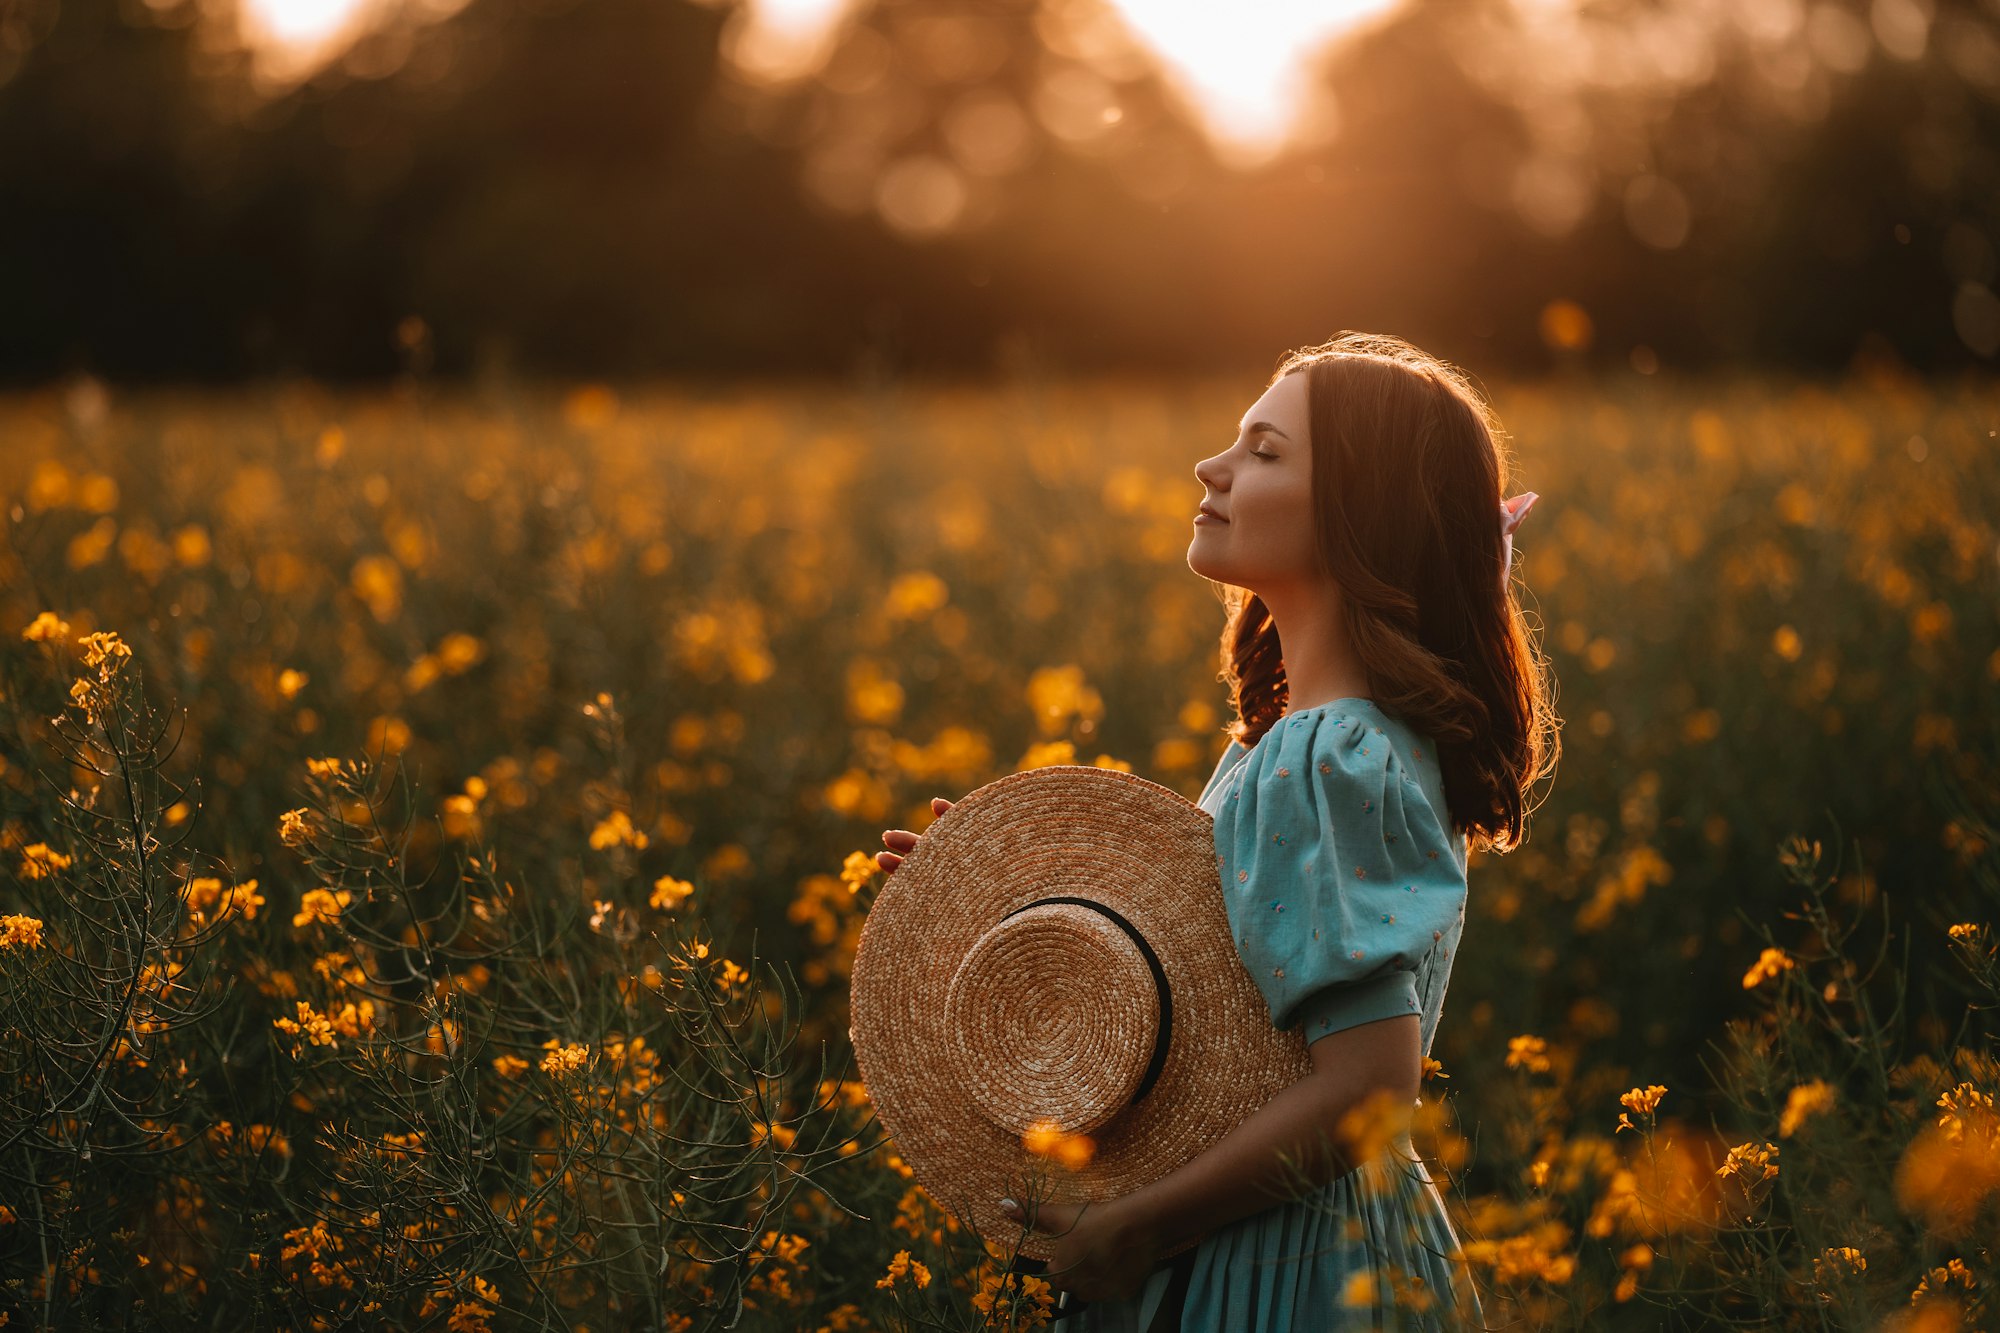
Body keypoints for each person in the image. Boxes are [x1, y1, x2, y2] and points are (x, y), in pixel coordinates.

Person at [878, 332, 1559, 1331]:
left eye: (1265, 450)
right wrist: (1007, 907)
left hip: (1281, 1266)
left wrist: (1138, 1228)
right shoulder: (1316, 742)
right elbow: (1228, 1014)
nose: (1213, 466)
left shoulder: (1329, 756)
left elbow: (1366, 1087)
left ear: (1357, 513)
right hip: (1301, 1235)